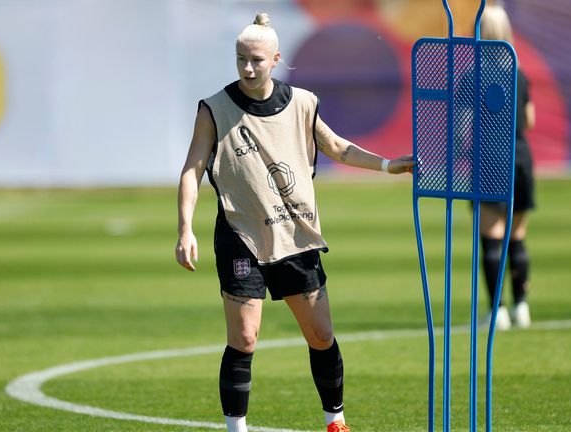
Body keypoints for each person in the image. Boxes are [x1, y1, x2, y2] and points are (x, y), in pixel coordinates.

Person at [175, 13, 414, 432]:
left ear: (276, 59)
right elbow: (192, 170)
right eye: (241, 60)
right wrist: (184, 229)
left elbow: (338, 147)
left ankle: (335, 421)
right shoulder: (214, 109)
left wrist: (388, 164)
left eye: (256, 60)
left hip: (294, 235)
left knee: (320, 335)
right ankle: (236, 428)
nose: (248, 68)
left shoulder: (302, 102)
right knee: (244, 339)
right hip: (241, 235)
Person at [478, 5, 537, 330]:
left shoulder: (473, 75)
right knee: (518, 236)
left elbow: (461, 128)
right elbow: (529, 120)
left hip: (489, 160)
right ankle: (522, 307)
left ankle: (497, 310)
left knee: (492, 237)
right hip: (520, 158)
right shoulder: (520, 73)